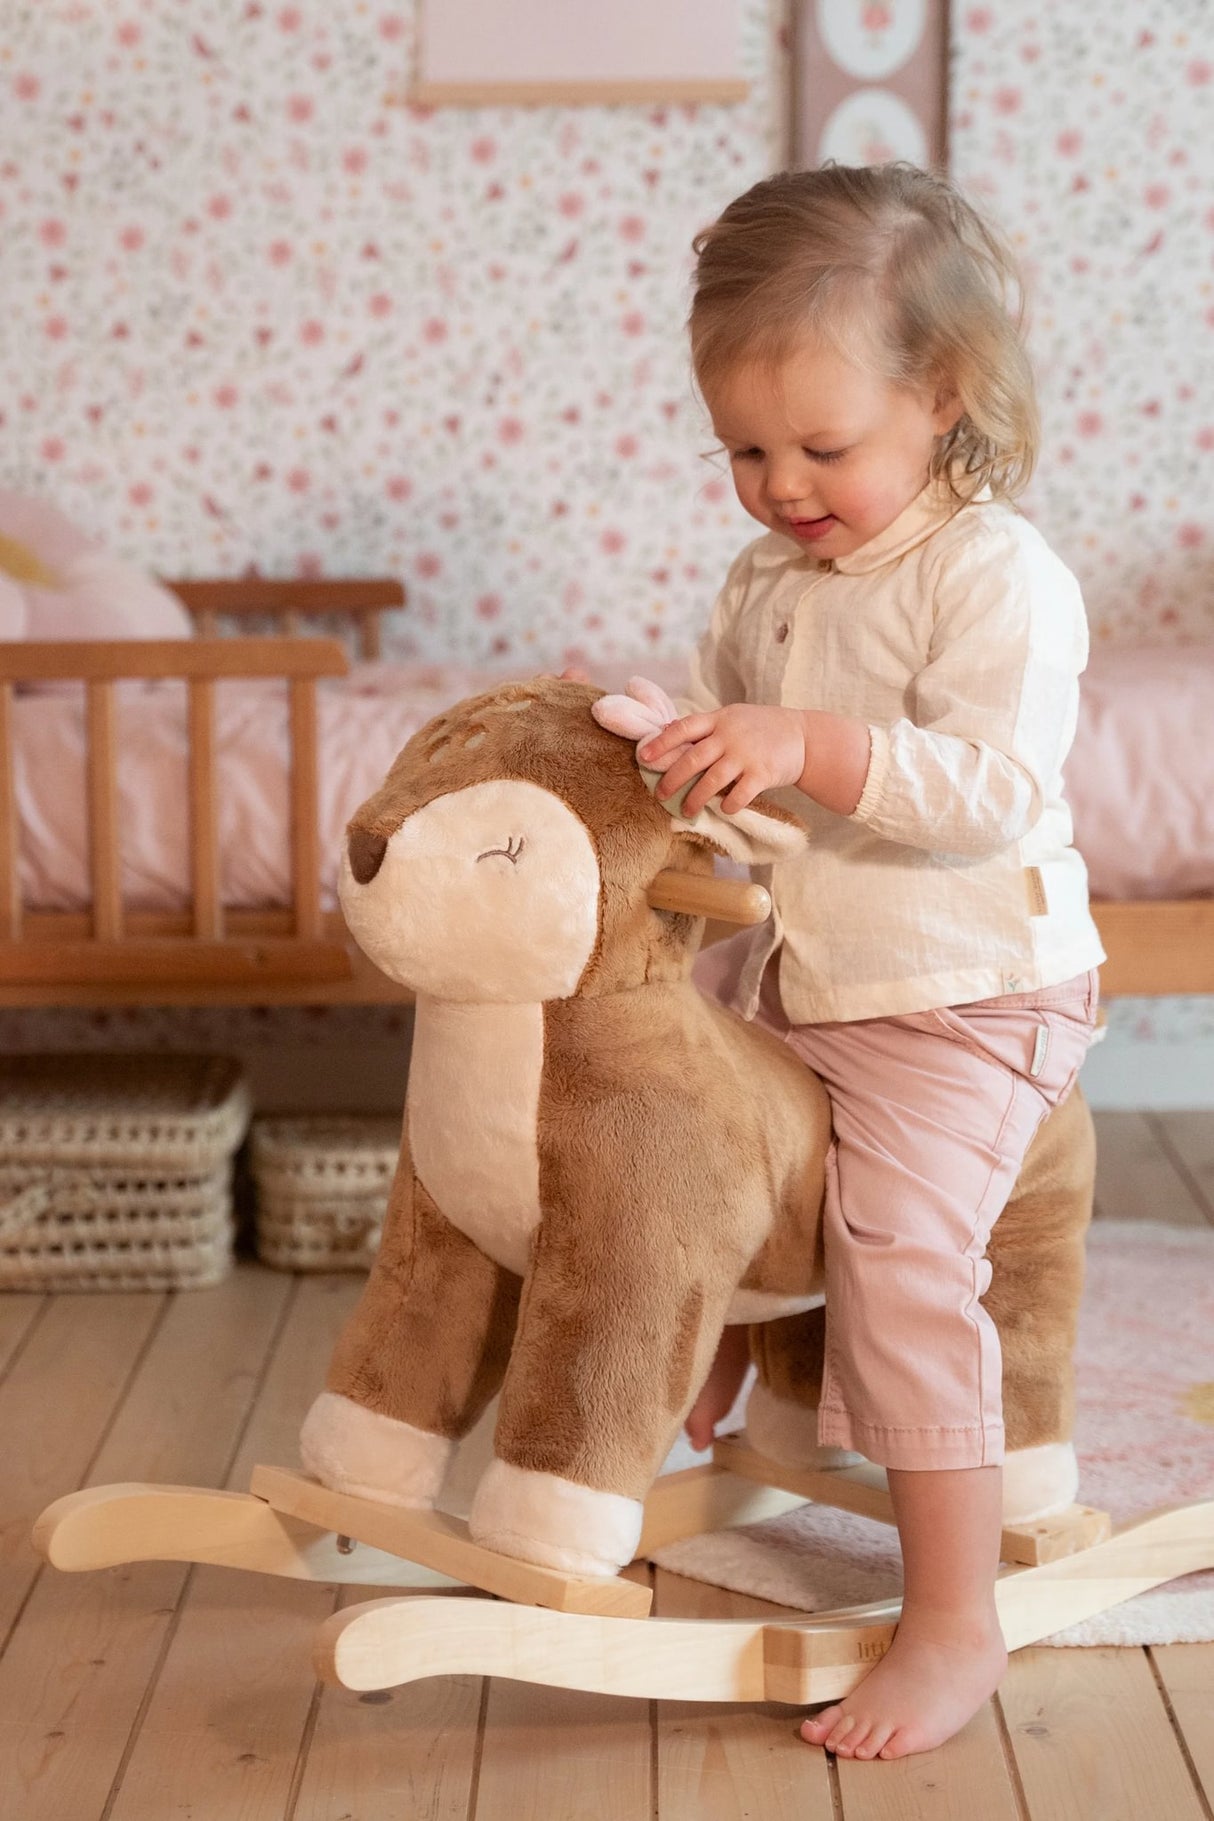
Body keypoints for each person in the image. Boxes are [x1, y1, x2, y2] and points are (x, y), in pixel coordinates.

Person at [636, 162, 1104, 1760]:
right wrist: (677, 752)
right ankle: (696, 1375)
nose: (779, 485)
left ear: (941, 395)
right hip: (802, 966)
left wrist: (807, 742)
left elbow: (993, 792)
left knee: (901, 1255)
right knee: (660, 1116)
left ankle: (951, 1614)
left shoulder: (993, 575)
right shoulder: (767, 579)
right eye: (743, 450)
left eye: (820, 447)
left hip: (965, 993)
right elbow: (748, 775)